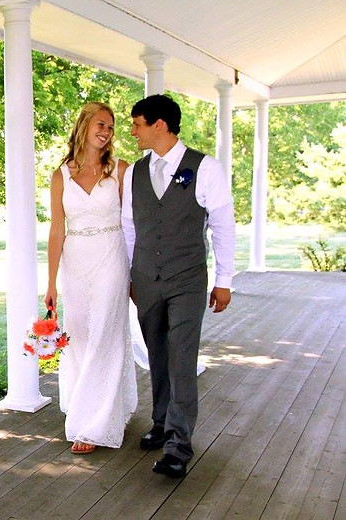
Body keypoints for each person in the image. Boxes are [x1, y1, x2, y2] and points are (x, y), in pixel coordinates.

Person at [122, 94, 236, 478]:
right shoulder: (134, 172)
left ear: (160, 125)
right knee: (157, 354)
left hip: (187, 279)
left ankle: (178, 445)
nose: (133, 131)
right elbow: (129, 227)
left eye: (137, 123)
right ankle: (160, 422)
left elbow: (222, 226)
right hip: (146, 281)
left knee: (181, 358)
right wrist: (128, 275)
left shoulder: (205, 168)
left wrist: (224, 280)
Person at [44, 101, 138, 455]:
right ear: (84, 125)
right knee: (81, 336)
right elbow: (56, 231)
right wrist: (51, 282)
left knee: (104, 335)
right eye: (101, 124)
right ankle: (104, 403)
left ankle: (93, 424)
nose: (106, 132)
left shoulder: (120, 171)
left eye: (111, 128)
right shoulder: (60, 175)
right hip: (75, 262)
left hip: (111, 258)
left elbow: (132, 225)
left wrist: (136, 271)